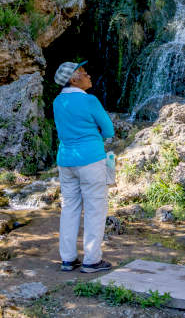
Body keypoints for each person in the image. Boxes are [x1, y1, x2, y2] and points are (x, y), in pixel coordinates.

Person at [53, 61, 114, 273]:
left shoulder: (57, 102)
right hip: (91, 161)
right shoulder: (90, 101)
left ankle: (68, 259)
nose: (87, 74)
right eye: (82, 72)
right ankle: (92, 260)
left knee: (70, 208)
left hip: (66, 161)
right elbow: (108, 130)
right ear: (73, 79)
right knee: (95, 209)